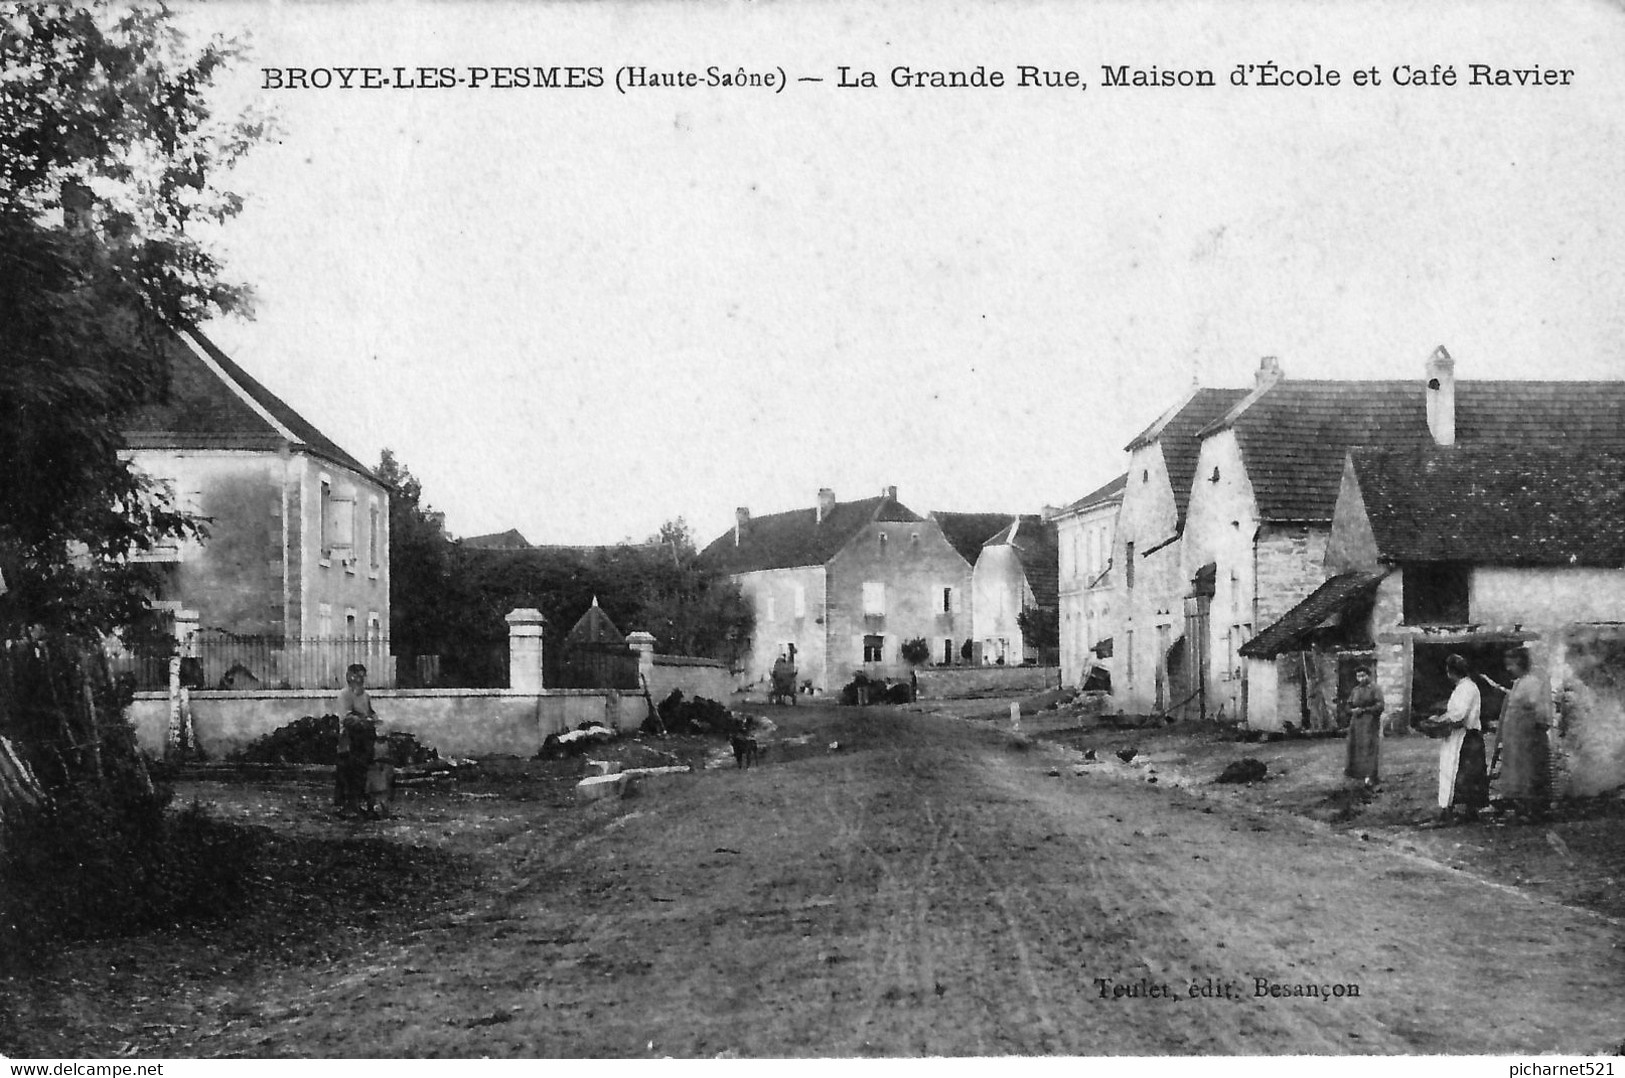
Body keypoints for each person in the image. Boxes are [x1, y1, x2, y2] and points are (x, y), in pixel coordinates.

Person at [1496, 647, 1555, 822]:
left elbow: (1539, 711)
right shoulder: (1519, 682)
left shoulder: (1531, 683)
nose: (1508, 669)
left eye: (1511, 664)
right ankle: (1522, 808)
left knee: (1530, 773)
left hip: (1529, 739)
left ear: (1521, 663)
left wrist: (1536, 729)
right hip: (1517, 740)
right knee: (1518, 774)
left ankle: (1533, 811)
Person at [1430, 653, 1488, 825]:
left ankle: (1462, 811)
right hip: (1458, 735)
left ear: (1451, 672)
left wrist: (1439, 720)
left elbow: (1459, 714)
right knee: (1458, 772)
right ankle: (1463, 810)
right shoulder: (1462, 687)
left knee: (1462, 773)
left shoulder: (1467, 688)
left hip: (1466, 737)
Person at [333, 663, 377, 815]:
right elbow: (346, 718)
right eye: (357, 676)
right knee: (347, 774)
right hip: (349, 740)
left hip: (364, 740)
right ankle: (345, 806)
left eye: (362, 676)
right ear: (349, 677)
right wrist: (364, 721)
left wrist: (374, 719)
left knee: (362, 773)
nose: (360, 680)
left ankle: (358, 804)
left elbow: (371, 712)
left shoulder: (365, 696)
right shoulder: (344, 695)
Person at [1343, 665, 1384, 790]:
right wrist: (1351, 710)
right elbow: (1348, 705)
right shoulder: (1355, 690)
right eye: (1358, 676)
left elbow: (1380, 705)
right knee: (1355, 747)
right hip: (1356, 723)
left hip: (1369, 722)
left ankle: (1370, 776)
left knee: (1369, 747)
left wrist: (1365, 710)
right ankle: (1357, 773)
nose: (1360, 679)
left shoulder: (1375, 689)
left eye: (1363, 676)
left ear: (1368, 676)